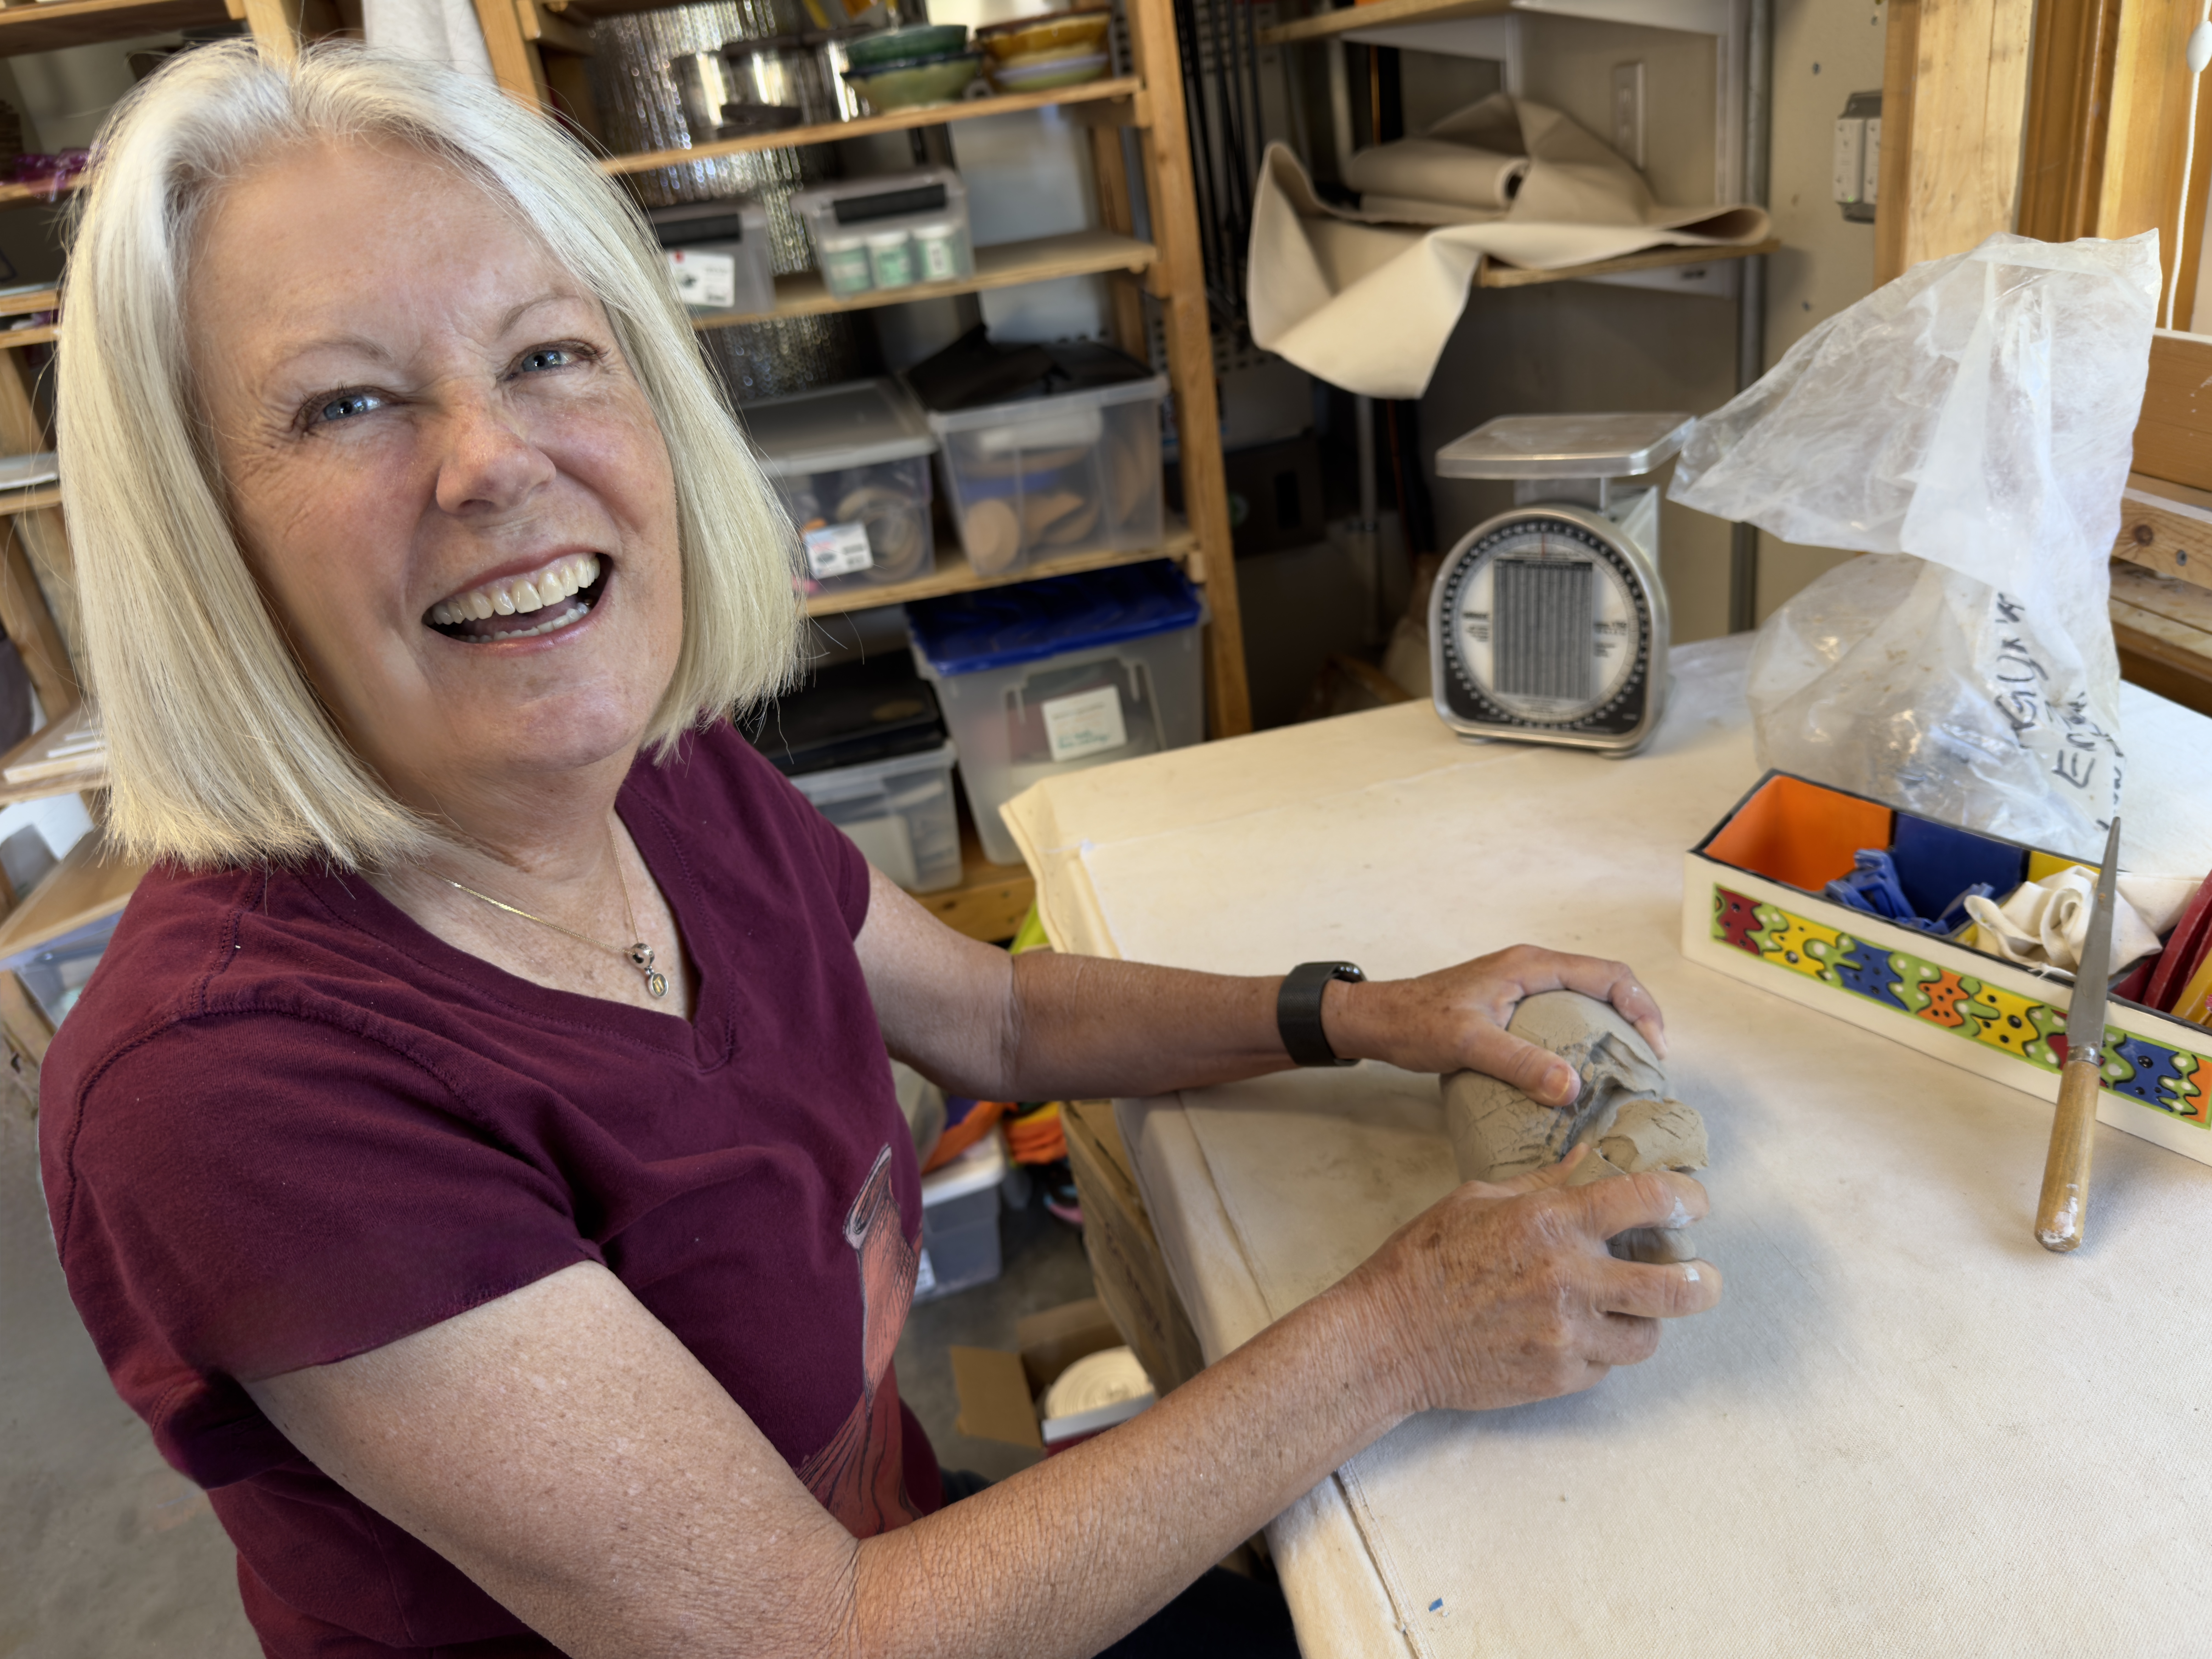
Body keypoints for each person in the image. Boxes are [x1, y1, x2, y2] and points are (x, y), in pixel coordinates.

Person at [39, 43, 1723, 1659]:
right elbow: (812, 1637)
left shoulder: (644, 772)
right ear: (196, 532)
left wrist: (1360, 1013)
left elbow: (996, 1017)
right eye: (346, 403)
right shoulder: (231, 1087)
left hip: (904, 1566)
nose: (492, 461)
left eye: (549, 355)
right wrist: (1398, 1335)